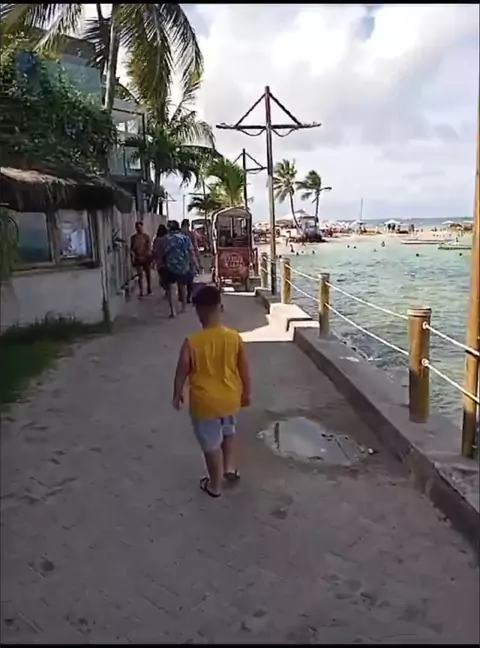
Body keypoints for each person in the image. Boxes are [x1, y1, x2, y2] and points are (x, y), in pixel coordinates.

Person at [172, 285, 251, 498]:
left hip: (205, 405)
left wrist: (177, 393)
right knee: (228, 432)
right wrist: (247, 393)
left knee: (211, 446)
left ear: (198, 312)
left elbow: (181, 371)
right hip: (230, 400)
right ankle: (228, 467)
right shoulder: (234, 337)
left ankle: (215, 485)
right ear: (220, 308)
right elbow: (244, 369)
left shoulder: (192, 342)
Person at [157, 220, 196, 318]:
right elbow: (191, 252)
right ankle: (183, 307)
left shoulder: (165, 239)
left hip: (170, 266)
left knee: (171, 289)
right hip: (183, 266)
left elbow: (161, 254)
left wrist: (159, 264)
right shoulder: (185, 238)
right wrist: (194, 264)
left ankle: (173, 311)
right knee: (182, 287)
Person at [181, 218, 201, 303]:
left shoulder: (179, 234)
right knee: (190, 279)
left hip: (180, 260)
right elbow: (195, 247)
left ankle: (182, 296)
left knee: (181, 279)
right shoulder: (191, 234)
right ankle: (188, 296)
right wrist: (197, 260)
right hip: (189, 259)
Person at [130, 221, 152, 297]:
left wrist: (148, 256)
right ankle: (141, 290)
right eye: (138, 227)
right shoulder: (133, 238)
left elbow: (149, 247)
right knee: (140, 275)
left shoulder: (146, 237)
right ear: (136, 228)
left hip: (145, 258)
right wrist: (133, 258)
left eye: (140, 227)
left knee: (148, 274)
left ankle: (149, 287)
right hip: (138, 258)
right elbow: (131, 249)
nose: (139, 229)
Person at [153, 224, 169, 296]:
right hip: (168, 261)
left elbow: (154, 251)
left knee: (162, 277)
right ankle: (168, 289)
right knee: (167, 276)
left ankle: (166, 289)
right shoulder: (168, 239)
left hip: (160, 262)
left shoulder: (156, 240)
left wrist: (153, 261)